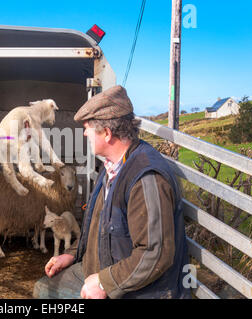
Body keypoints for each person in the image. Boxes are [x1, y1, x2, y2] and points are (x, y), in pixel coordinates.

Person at [33, 86, 191, 299]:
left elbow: (155, 254)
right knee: (44, 289)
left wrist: (104, 283)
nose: (85, 132)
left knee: (48, 295)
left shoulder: (145, 178)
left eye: (88, 127)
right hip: (102, 268)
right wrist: (72, 255)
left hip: (139, 290)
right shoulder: (111, 168)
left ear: (107, 133)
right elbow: (98, 228)